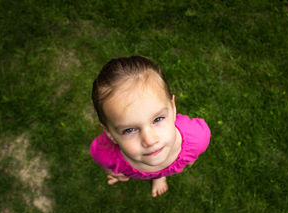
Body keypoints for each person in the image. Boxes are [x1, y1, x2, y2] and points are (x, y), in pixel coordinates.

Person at [90, 56, 211, 197]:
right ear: (110, 133)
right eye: (129, 130)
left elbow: (197, 149)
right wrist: (113, 171)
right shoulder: (106, 153)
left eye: (158, 119)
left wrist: (190, 158)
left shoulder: (197, 137)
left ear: (172, 108)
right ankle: (158, 177)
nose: (150, 140)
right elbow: (103, 160)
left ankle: (160, 176)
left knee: (158, 161)